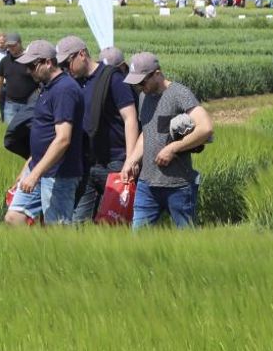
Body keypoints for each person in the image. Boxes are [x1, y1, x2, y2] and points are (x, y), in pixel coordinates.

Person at [121, 52, 212, 229]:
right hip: (146, 184)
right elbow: (147, 132)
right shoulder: (143, 96)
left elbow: (206, 127)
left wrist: (173, 148)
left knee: (187, 239)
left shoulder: (180, 94)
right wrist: (131, 160)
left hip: (178, 185)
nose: (139, 87)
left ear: (157, 74)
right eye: (136, 84)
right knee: (138, 238)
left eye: (142, 82)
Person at [56, 36, 139, 224]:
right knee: (78, 222)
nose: (66, 69)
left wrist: (130, 159)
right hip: (87, 163)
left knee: (114, 222)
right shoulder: (74, 83)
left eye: (67, 63)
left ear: (82, 54)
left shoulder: (113, 78)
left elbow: (130, 118)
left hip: (116, 162)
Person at [4, 40, 84, 226]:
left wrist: (35, 174)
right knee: (14, 218)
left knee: (56, 228)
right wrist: (28, 168)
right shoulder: (47, 87)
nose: (28, 71)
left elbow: (63, 139)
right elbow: (44, 135)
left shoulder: (64, 89)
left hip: (59, 173)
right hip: (38, 168)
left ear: (48, 62)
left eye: (32, 66)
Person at [0, 32, 39, 124]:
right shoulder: (4, 62)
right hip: (10, 105)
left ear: (20, 43)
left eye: (13, 45)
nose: (11, 48)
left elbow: (39, 80)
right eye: (9, 46)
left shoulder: (30, 60)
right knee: (11, 131)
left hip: (29, 104)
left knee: (29, 131)